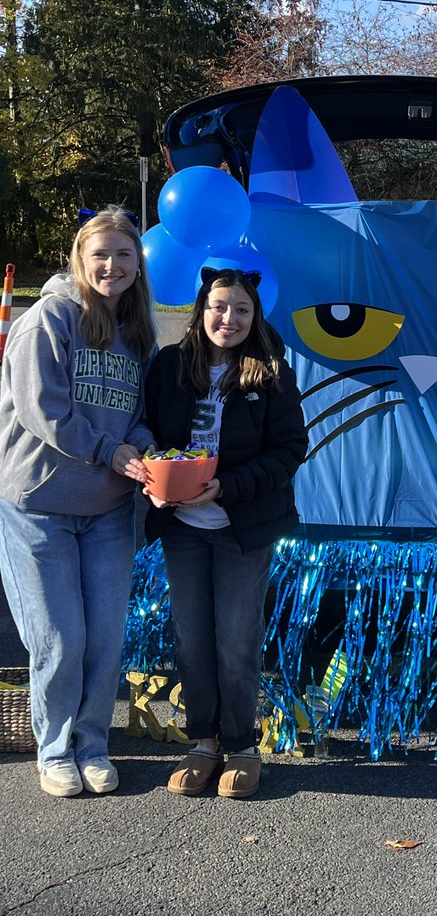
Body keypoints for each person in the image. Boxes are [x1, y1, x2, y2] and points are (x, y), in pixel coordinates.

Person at [0, 207, 155, 797]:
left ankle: (93, 743)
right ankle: (55, 748)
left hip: (110, 510)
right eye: (101, 255)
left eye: (123, 255)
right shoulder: (49, 319)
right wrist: (111, 451)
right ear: (80, 260)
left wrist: (139, 449)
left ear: (137, 265)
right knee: (58, 638)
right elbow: (45, 411)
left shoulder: (136, 334)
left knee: (103, 638)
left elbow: (139, 417)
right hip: (39, 504)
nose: (112, 265)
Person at [140, 268, 307, 800]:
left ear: (255, 316)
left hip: (242, 529)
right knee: (192, 640)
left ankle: (241, 747)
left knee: (236, 642)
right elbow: (147, 431)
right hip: (183, 529)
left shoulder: (270, 372)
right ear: (201, 310)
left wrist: (225, 488)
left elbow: (288, 451)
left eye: (240, 309)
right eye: (218, 306)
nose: (228, 319)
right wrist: (153, 474)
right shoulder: (169, 366)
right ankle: (203, 743)